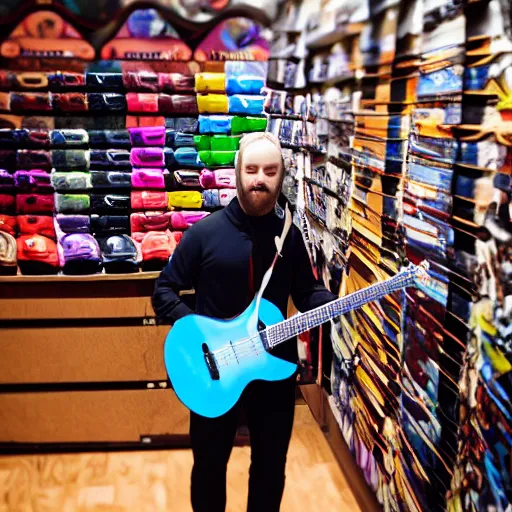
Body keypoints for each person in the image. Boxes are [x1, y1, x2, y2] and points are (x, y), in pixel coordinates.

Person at [152, 132, 337, 512]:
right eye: (251, 169)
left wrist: (330, 305)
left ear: (281, 177)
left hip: (274, 372)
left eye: (270, 171)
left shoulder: (291, 237)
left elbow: (307, 292)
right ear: (237, 173)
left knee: (271, 469)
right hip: (214, 372)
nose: (260, 179)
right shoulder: (204, 233)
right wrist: (200, 332)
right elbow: (164, 291)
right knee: (208, 468)